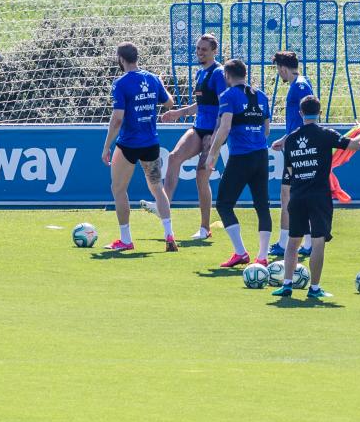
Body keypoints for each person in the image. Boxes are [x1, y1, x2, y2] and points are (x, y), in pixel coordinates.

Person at [271, 96, 360, 298]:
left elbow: (289, 168)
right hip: (319, 196)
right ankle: (314, 288)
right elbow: (355, 146)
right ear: (320, 113)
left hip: (298, 195)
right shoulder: (325, 134)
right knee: (317, 240)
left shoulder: (292, 138)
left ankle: (287, 284)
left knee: (293, 242)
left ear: (301, 113)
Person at [140, 34, 226, 240]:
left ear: (214, 51)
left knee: (201, 177)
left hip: (212, 131)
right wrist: (178, 113)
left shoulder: (219, 73)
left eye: (204, 49)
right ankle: (164, 204)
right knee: (174, 156)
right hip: (198, 127)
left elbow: (225, 107)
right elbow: (202, 105)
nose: (199, 52)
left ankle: (205, 228)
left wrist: (215, 135)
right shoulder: (200, 73)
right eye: (197, 48)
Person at [101, 42, 177, 252]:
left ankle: (126, 239)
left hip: (128, 145)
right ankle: (169, 234)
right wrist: (160, 86)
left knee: (118, 189)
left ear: (121, 59)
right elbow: (169, 102)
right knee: (157, 189)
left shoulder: (121, 83)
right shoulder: (152, 79)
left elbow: (117, 119)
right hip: (151, 143)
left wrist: (107, 146)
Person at [204, 59, 271, 267]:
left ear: (227, 76)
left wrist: (212, 155)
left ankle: (241, 252)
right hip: (261, 156)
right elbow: (266, 129)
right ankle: (263, 257)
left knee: (224, 204)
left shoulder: (228, 95)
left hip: (241, 157)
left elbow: (224, 128)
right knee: (262, 206)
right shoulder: (261, 96)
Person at [268, 51, 314, 257]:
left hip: (299, 148)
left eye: (278, 70)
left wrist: (288, 140)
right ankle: (304, 242)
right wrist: (285, 139)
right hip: (295, 145)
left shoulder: (300, 86)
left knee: (290, 194)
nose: (279, 74)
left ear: (283, 68)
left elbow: (308, 118)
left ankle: (288, 242)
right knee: (294, 194)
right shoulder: (301, 84)